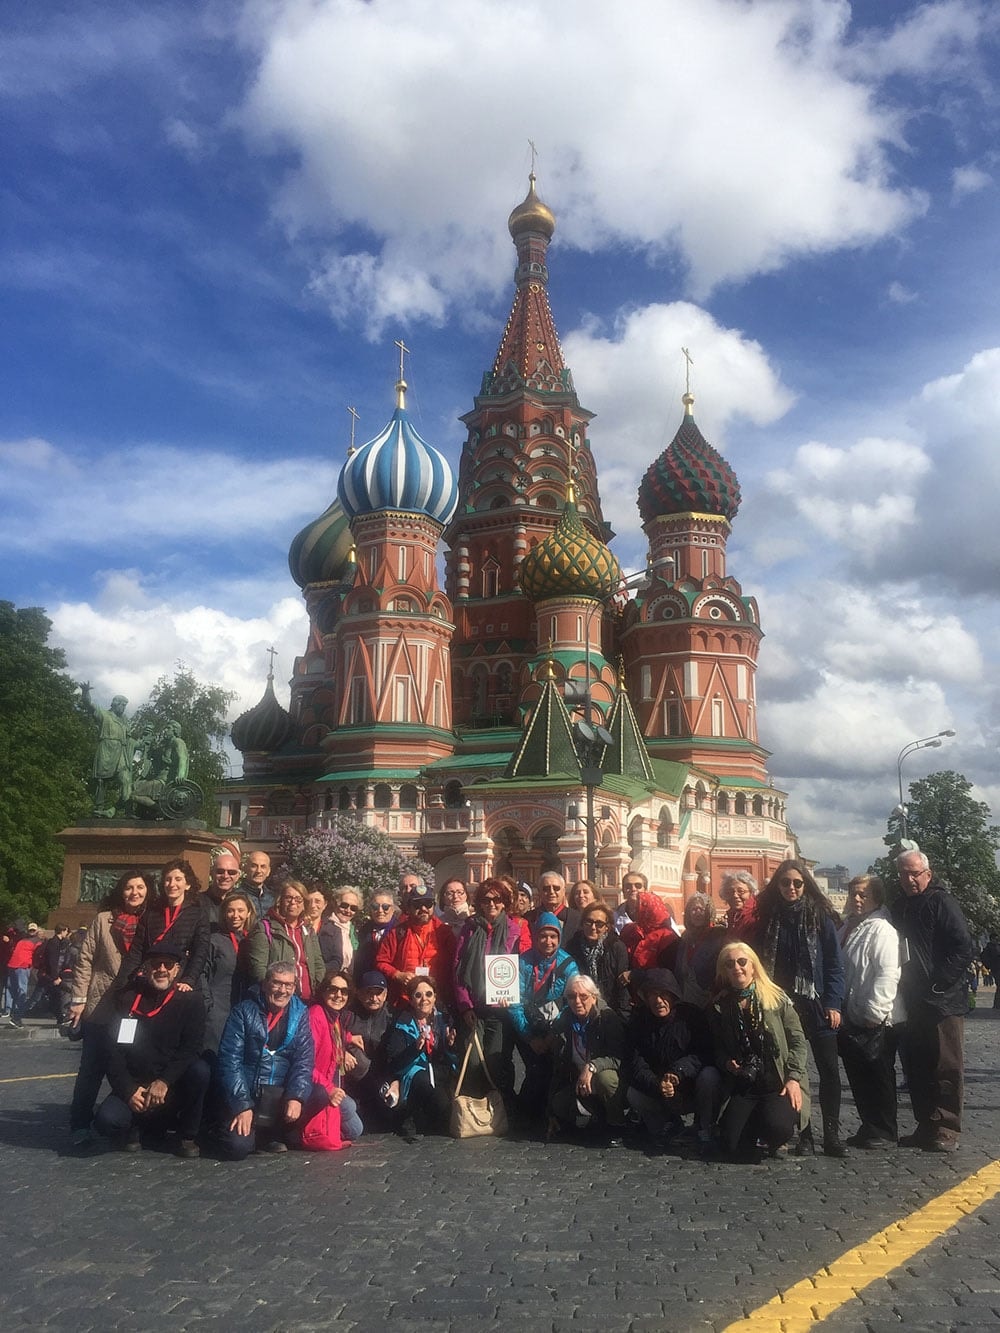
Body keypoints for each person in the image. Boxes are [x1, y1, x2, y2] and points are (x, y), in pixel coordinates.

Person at [751, 859, 845, 1157]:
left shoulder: (821, 918)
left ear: (806, 885)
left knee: (829, 1071)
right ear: (777, 885)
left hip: (816, 1003)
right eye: (785, 883)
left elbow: (834, 965)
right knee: (794, 1071)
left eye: (797, 883)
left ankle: (831, 1133)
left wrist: (833, 1002)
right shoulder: (768, 917)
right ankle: (805, 1133)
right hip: (781, 1006)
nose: (791, 888)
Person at [892, 849, 975, 1152]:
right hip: (914, 1000)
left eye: (915, 873)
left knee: (945, 1066)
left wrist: (940, 982)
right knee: (917, 1066)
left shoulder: (941, 901)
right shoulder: (900, 906)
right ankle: (926, 1123)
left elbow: (963, 946)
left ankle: (946, 1127)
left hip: (943, 1002)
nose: (910, 878)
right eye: (904, 873)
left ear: (928, 873)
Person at [94, 943, 209, 1158]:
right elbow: (113, 1051)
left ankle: (187, 1135)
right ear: (146, 968)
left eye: (169, 964)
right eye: (156, 964)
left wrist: (165, 1081)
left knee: (200, 1071)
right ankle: (136, 1127)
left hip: (172, 1085)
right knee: (106, 1122)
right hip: (136, 1083)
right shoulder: (127, 1000)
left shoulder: (191, 1001)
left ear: (176, 970)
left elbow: (191, 1048)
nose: (162, 969)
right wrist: (128, 1090)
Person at [66, 870, 151, 1149]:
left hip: (135, 1008)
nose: (134, 893)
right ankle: (79, 1123)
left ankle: (124, 1122)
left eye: (139, 887)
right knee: (91, 1068)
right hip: (102, 1005)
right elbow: (85, 960)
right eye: (129, 887)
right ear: (121, 891)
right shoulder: (103, 920)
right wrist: (78, 999)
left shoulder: (152, 921)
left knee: (128, 1066)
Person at [708, 943, 808, 1162]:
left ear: (753, 966)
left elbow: (798, 1040)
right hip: (745, 1085)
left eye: (742, 962)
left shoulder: (775, 998)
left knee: (778, 1128)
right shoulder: (721, 1005)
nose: (737, 968)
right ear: (724, 971)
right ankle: (748, 1125)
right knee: (731, 1147)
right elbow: (717, 1049)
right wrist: (727, 1063)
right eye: (730, 964)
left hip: (778, 1081)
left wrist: (793, 1078)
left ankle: (770, 1130)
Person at [216, 960, 315, 1157]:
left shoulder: (300, 1013)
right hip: (250, 1092)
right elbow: (229, 1061)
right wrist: (242, 1105)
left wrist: (296, 1096)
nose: (282, 990)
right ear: (265, 984)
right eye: (277, 983)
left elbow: (304, 1059)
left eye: (288, 985)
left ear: (294, 987)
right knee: (237, 1148)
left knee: (319, 1095)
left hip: (280, 1094)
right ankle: (232, 1128)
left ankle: (276, 1132)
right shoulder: (243, 1011)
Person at [453, 878, 530, 1107]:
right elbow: (457, 967)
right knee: (474, 1059)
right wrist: (464, 1005)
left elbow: (523, 967)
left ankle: (499, 1107)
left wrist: (513, 994)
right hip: (474, 1006)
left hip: (500, 1008)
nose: (492, 904)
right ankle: (475, 1107)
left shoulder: (515, 929)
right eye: (486, 900)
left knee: (497, 1059)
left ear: (505, 902)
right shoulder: (470, 927)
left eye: (497, 899)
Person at [836, 875, 901, 1149]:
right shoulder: (848, 927)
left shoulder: (882, 930)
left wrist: (876, 1011)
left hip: (875, 1017)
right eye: (854, 894)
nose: (857, 899)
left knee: (878, 1073)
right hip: (852, 1013)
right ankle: (869, 1124)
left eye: (864, 894)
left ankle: (884, 1129)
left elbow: (888, 973)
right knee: (859, 1074)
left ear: (877, 897)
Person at [625, 968, 719, 1154]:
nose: (658, 1001)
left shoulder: (691, 1016)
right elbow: (636, 1062)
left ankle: (705, 1127)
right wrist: (658, 1084)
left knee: (711, 1076)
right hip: (659, 1089)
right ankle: (665, 1126)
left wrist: (679, 1072)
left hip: (690, 1085)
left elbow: (703, 1053)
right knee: (632, 1093)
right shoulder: (639, 1021)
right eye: (653, 995)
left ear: (673, 995)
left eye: (663, 994)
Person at [509, 913, 579, 1121]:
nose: (548, 942)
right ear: (535, 937)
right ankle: (529, 1114)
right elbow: (515, 1002)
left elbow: (572, 1003)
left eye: (553, 937)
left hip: (556, 1028)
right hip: (528, 1027)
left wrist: (552, 1036)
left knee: (554, 1071)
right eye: (543, 936)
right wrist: (530, 1038)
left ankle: (554, 1113)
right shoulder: (523, 962)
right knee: (535, 1070)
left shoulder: (568, 965)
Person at [547, 975, 626, 1138]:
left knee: (606, 1079)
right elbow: (557, 1068)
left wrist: (592, 1066)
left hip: (608, 1077)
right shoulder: (564, 1024)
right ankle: (596, 1117)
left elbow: (618, 1057)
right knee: (558, 1103)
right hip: (579, 1081)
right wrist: (551, 1114)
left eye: (583, 996)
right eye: (571, 996)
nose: (577, 1001)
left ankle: (617, 1124)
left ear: (594, 996)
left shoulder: (607, 1018)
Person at [119, 859, 210, 994]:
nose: (172, 884)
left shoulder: (198, 914)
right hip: (152, 979)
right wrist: (124, 983)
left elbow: (200, 952)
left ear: (188, 884)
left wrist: (188, 979)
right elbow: (136, 951)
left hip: (180, 983)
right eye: (168, 879)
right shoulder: (151, 913)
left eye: (178, 879)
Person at [383, 976, 456, 1143]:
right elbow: (395, 1063)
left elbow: (452, 1056)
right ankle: (412, 1117)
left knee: (445, 1110)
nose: (424, 999)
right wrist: (415, 1049)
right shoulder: (402, 1023)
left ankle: (427, 1117)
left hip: (440, 1070)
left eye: (429, 994)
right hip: (415, 1072)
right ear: (411, 999)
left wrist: (451, 1045)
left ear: (435, 997)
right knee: (425, 1083)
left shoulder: (444, 1019)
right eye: (418, 995)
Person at [303, 969, 365, 1142]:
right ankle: (312, 1131)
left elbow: (333, 1036)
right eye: (333, 989)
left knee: (353, 1118)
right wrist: (329, 1090)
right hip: (316, 1087)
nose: (339, 995)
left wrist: (349, 1038)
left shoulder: (333, 1017)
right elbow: (305, 1063)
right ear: (324, 991)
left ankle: (327, 1126)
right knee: (353, 1123)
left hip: (327, 1083)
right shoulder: (316, 1015)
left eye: (344, 991)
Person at [376, 885, 457, 1007]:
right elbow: (380, 961)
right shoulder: (397, 933)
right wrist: (398, 974)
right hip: (405, 1000)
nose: (423, 908)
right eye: (417, 905)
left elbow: (455, 965)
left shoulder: (444, 932)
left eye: (428, 903)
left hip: (437, 1000)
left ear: (433, 906)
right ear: (409, 908)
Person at [244, 880, 324, 1000]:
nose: (293, 902)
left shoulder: (308, 931)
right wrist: (280, 993)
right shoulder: (265, 928)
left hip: (307, 1001)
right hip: (277, 1000)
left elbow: (318, 964)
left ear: (304, 905)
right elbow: (258, 969)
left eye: (298, 899)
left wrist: (315, 987)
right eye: (288, 898)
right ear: (280, 901)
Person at [202, 890, 257, 1057]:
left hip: (244, 1009)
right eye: (230, 910)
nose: (235, 915)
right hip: (218, 1011)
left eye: (240, 910)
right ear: (224, 914)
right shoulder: (214, 940)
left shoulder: (254, 941)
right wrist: (208, 1004)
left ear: (248, 913)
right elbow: (202, 973)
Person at [565, 902, 631, 1021]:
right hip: (580, 1011)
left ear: (607, 927)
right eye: (588, 922)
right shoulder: (573, 947)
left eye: (599, 924)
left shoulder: (616, 947)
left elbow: (622, 988)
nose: (593, 927)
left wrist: (621, 1020)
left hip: (611, 1012)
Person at [660, 894, 726, 1009]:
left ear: (709, 912)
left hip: (710, 999)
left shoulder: (718, 935)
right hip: (686, 997)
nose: (698, 913)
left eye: (702, 909)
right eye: (694, 909)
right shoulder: (685, 937)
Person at [346, 970, 395, 1125]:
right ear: (359, 994)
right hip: (355, 1073)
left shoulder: (392, 1015)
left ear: (385, 994)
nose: (374, 998)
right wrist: (342, 1051)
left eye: (378, 993)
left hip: (383, 1072)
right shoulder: (347, 1015)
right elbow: (331, 1036)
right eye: (368, 993)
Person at [80, 686, 133, 816]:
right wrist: (85, 691)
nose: (124, 708)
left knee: (126, 780)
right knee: (101, 781)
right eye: (122, 705)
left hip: (120, 752)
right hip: (106, 749)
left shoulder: (124, 722)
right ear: (116, 705)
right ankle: (99, 808)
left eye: (125, 706)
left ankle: (127, 809)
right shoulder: (104, 714)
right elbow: (89, 704)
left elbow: (131, 740)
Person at [620, 891, 677, 973]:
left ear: (649, 910)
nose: (634, 911)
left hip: (655, 984)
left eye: (638, 908)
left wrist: (635, 975)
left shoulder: (667, 937)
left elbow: (667, 972)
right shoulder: (630, 929)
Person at [354, 890, 400, 976]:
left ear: (393, 909)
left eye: (385, 907)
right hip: (367, 982)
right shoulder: (364, 930)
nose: (380, 910)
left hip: (392, 980)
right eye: (375, 906)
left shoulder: (400, 930)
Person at [528, 870, 581, 940]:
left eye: (556, 888)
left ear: (563, 891)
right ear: (539, 892)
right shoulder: (528, 918)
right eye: (546, 889)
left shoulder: (578, 918)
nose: (551, 892)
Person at [6, 922, 41, 1028]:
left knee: (12, 990)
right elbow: (38, 956)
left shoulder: (21, 941)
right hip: (23, 966)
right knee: (22, 991)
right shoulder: (37, 942)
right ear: (37, 931)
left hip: (12, 965)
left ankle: (10, 1011)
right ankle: (17, 1017)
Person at [304, 886, 344, 969]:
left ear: (325, 904)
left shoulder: (334, 931)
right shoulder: (296, 927)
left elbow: (337, 960)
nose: (312, 905)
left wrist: (319, 971)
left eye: (317, 901)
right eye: (309, 901)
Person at [327, 887, 362, 973]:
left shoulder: (354, 931)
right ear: (336, 904)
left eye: (353, 908)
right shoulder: (325, 927)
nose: (348, 910)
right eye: (344, 905)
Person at [201, 852, 241, 925]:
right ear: (211, 873)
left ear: (238, 876)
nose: (225, 876)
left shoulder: (243, 902)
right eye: (220, 871)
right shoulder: (198, 902)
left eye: (231, 872)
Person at [720, 871, 759, 937]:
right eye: (730, 891)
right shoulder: (733, 916)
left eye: (741, 891)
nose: (735, 895)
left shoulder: (757, 916)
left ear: (751, 892)